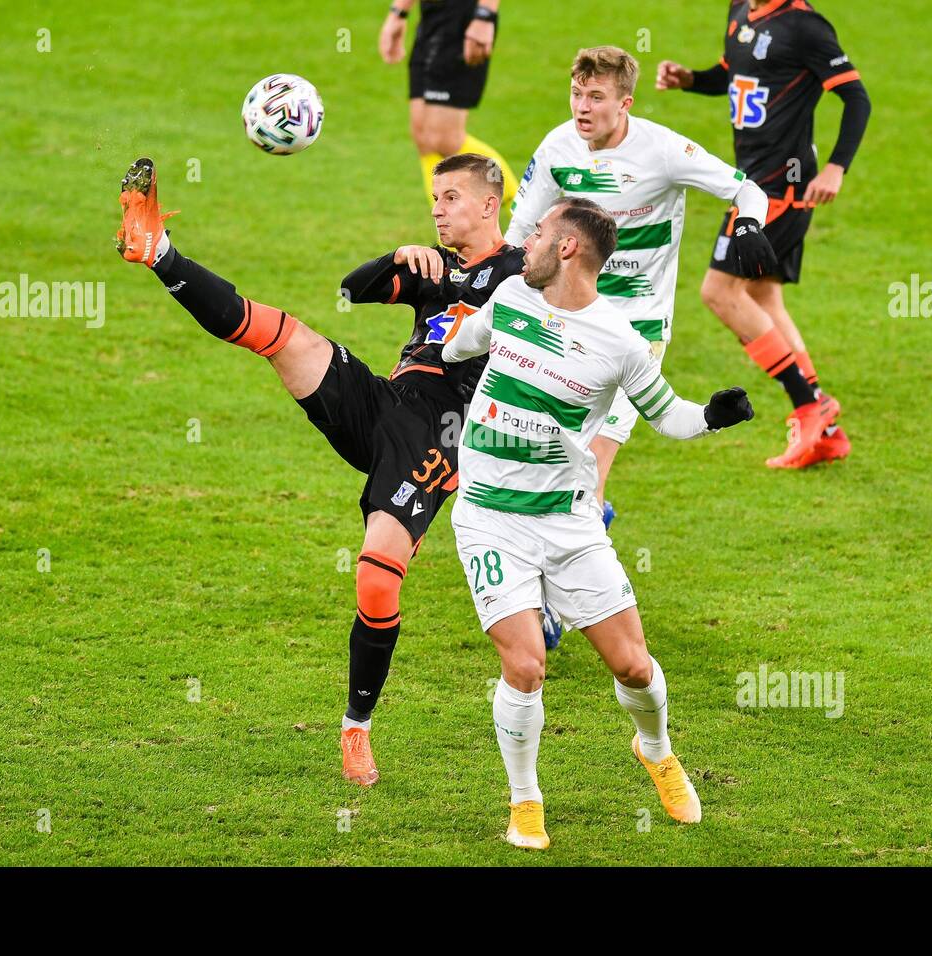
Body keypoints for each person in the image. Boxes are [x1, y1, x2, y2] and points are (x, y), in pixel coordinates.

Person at [113, 154, 524, 788]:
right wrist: (399, 257)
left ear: (490, 205)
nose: (436, 209)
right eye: (434, 198)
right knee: (282, 336)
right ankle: (158, 250)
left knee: (376, 583)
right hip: (383, 404)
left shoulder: (520, 270)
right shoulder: (434, 268)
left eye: (449, 199)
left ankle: (356, 727)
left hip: (436, 441)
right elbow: (351, 290)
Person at [441, 197, 756, 849]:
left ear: (567, 250)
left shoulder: (619, 342)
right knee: (525, 666)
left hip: (567, 522)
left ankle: (657, 749)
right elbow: (455, 347)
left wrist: (714, 416)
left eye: (537, 235)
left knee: (634, 667)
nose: (522, 242)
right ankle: (525, 802)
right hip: (490, 518)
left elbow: (667, 414)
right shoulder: (510, 297)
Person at [506, 45, 774, 510]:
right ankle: (578, 534)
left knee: (591, 462)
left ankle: (576, 556)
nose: (582, 108)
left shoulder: (663, 151)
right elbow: (519, 233)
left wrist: (748, 225)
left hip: (637, 328)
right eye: (575, 94)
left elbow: (746, 190)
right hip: (567, 320)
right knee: (558, 459)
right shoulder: (557, 147)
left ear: (624, 103)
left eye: (595, 97)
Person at [656, 0, 871, 467]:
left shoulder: (805, 25)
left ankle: (809, 405)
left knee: (720, 292)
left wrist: (836, 169)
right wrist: (691, 79)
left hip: (779, 188)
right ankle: (826, 432)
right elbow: (734, 73)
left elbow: (857, 97)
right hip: (758, 182)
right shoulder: (741, 12)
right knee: (763, 299)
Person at [378, 0, 517, 212]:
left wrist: (485, 14)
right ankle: (449, 236)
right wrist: (398, 12)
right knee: (423, 135)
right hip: (432, 15)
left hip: (462, 14)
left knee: (445, 138)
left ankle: (522, 209)